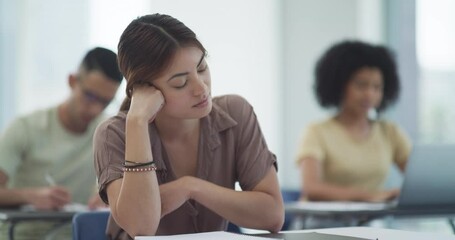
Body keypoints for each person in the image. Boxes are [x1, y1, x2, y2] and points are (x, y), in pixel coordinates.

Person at [93, 13, 284, 239]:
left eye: (202, 68)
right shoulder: (114, 134)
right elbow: (141, 227)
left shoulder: (235, 113)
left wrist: (190, 187)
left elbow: (272, 215)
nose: (201, 88)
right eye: (180, 83)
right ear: (145, 90)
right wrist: (137, 121)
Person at [0, 47, 123, 238]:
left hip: (73, 233)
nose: (95, 109)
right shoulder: (25, 128)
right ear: (72, 81)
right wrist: (30, 196)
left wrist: (107, 197)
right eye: (90, 96)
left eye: (105, 102)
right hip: (23, 233)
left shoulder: (106, 131)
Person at [296, 40, 412, 203]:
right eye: (361, 85)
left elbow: (419, 180)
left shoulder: (390, 131)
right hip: (321, 223)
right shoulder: (316, 131)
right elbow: (311, 188)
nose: (369, 94)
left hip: (371, 223)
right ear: (340, 85)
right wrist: (372, 196)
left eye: (376, 87)